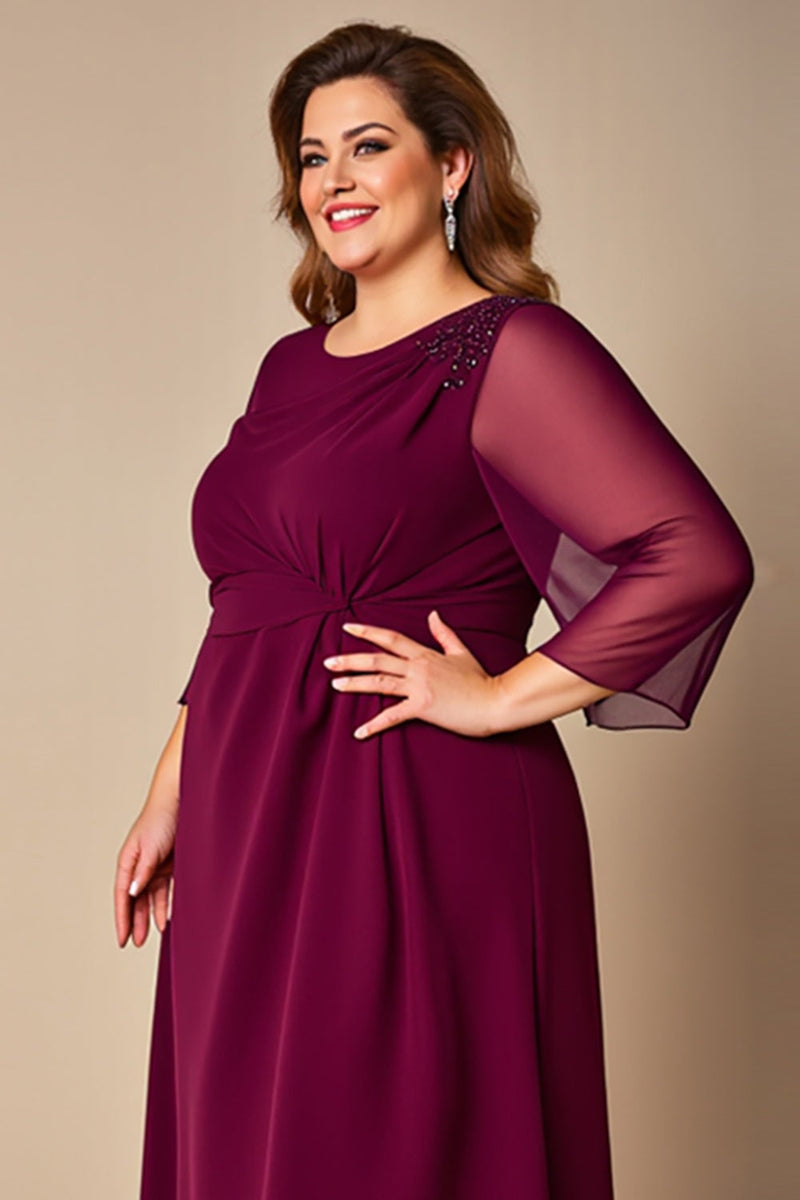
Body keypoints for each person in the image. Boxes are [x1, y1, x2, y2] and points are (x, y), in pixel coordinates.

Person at [114, 21, 755, 1200]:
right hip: (252, 813)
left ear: (450, 164)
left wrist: (502, 697)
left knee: (394, 1148)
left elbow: (693, 555)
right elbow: (249, 602)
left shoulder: (510, 349)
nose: (334, 180)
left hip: (410, 809)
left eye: (368, 146)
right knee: (251, 1144)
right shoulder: (289, 367)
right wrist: (172, 788)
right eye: (312, 157)